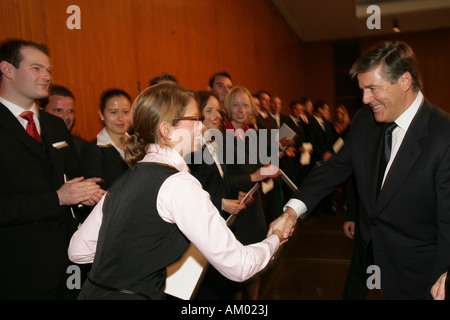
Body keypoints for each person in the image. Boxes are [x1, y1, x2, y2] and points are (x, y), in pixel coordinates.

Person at [68, 83, 286, 300]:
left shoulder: (124, 179)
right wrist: (276, 237)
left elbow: (78, 250)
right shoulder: (178, 184)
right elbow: (240, 266)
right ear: (166, 130)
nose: (202, 126)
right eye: (194, 120)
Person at [269, 41, 450, 299]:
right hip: (368, 254)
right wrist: (291, 212)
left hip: (419, 276)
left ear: (405, 81)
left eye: (373, 89)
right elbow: (334, 168)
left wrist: (446, 270)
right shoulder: (366, 120)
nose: (365, 99)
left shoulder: (444, 135)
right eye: (363, 90)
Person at [0, 39, 103, 299]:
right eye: (36, 68)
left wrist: (84, 195)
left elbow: (67, 181)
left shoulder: (54, 125)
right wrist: (57, 198)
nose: (46, 77)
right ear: (7, 70)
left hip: (65, 264)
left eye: (48, 70)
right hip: (16, 268)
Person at [222, 86, 281, 299]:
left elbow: (256, 165)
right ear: (228, 107)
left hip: (255, 206)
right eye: (235, 104)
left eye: (245, 105)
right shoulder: (221, 136)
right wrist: (254, 176)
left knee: (256, 263)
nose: (240, 109)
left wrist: (267, 168)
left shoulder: (251, 132)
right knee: (236, 269)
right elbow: (223, 181)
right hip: (234, 210)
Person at [80, 89, 132, 192]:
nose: (121, 118)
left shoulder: (140, 145)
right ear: (101, 115)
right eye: (113, 112)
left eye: (126, 112)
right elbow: (98, 192)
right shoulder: (92, 152)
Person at [41, 84, 88, 158]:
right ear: (42, 112)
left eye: (70, 111)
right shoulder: (34, 146)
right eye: (58, 110)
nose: (67, 116)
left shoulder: (83, 147)